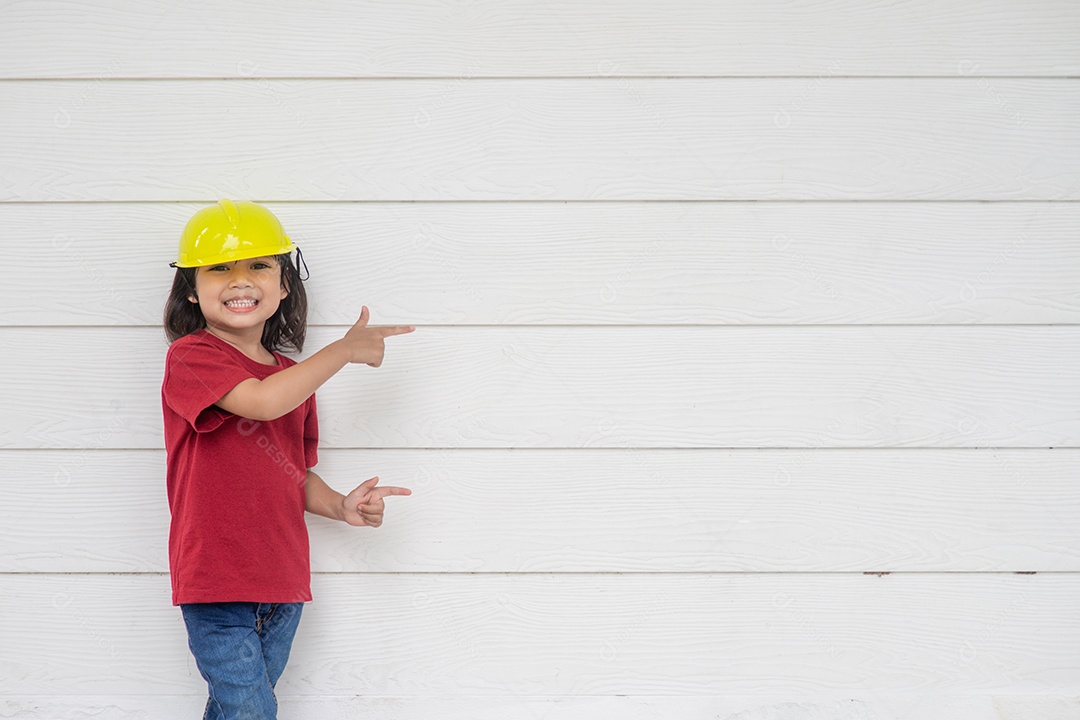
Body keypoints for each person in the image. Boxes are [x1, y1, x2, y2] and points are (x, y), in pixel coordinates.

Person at [160, 199, 415, 719]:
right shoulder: (192, 356)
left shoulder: (291, 373)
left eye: (259, 265)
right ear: (191, 287)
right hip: (217, 581)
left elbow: (292, 473)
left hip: (282, 582)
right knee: (250, 711)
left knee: (238, 710)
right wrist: (341, 351)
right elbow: (260, 400)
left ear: (283, 286)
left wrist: (341, 505)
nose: (241, 280)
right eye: (220, 268)